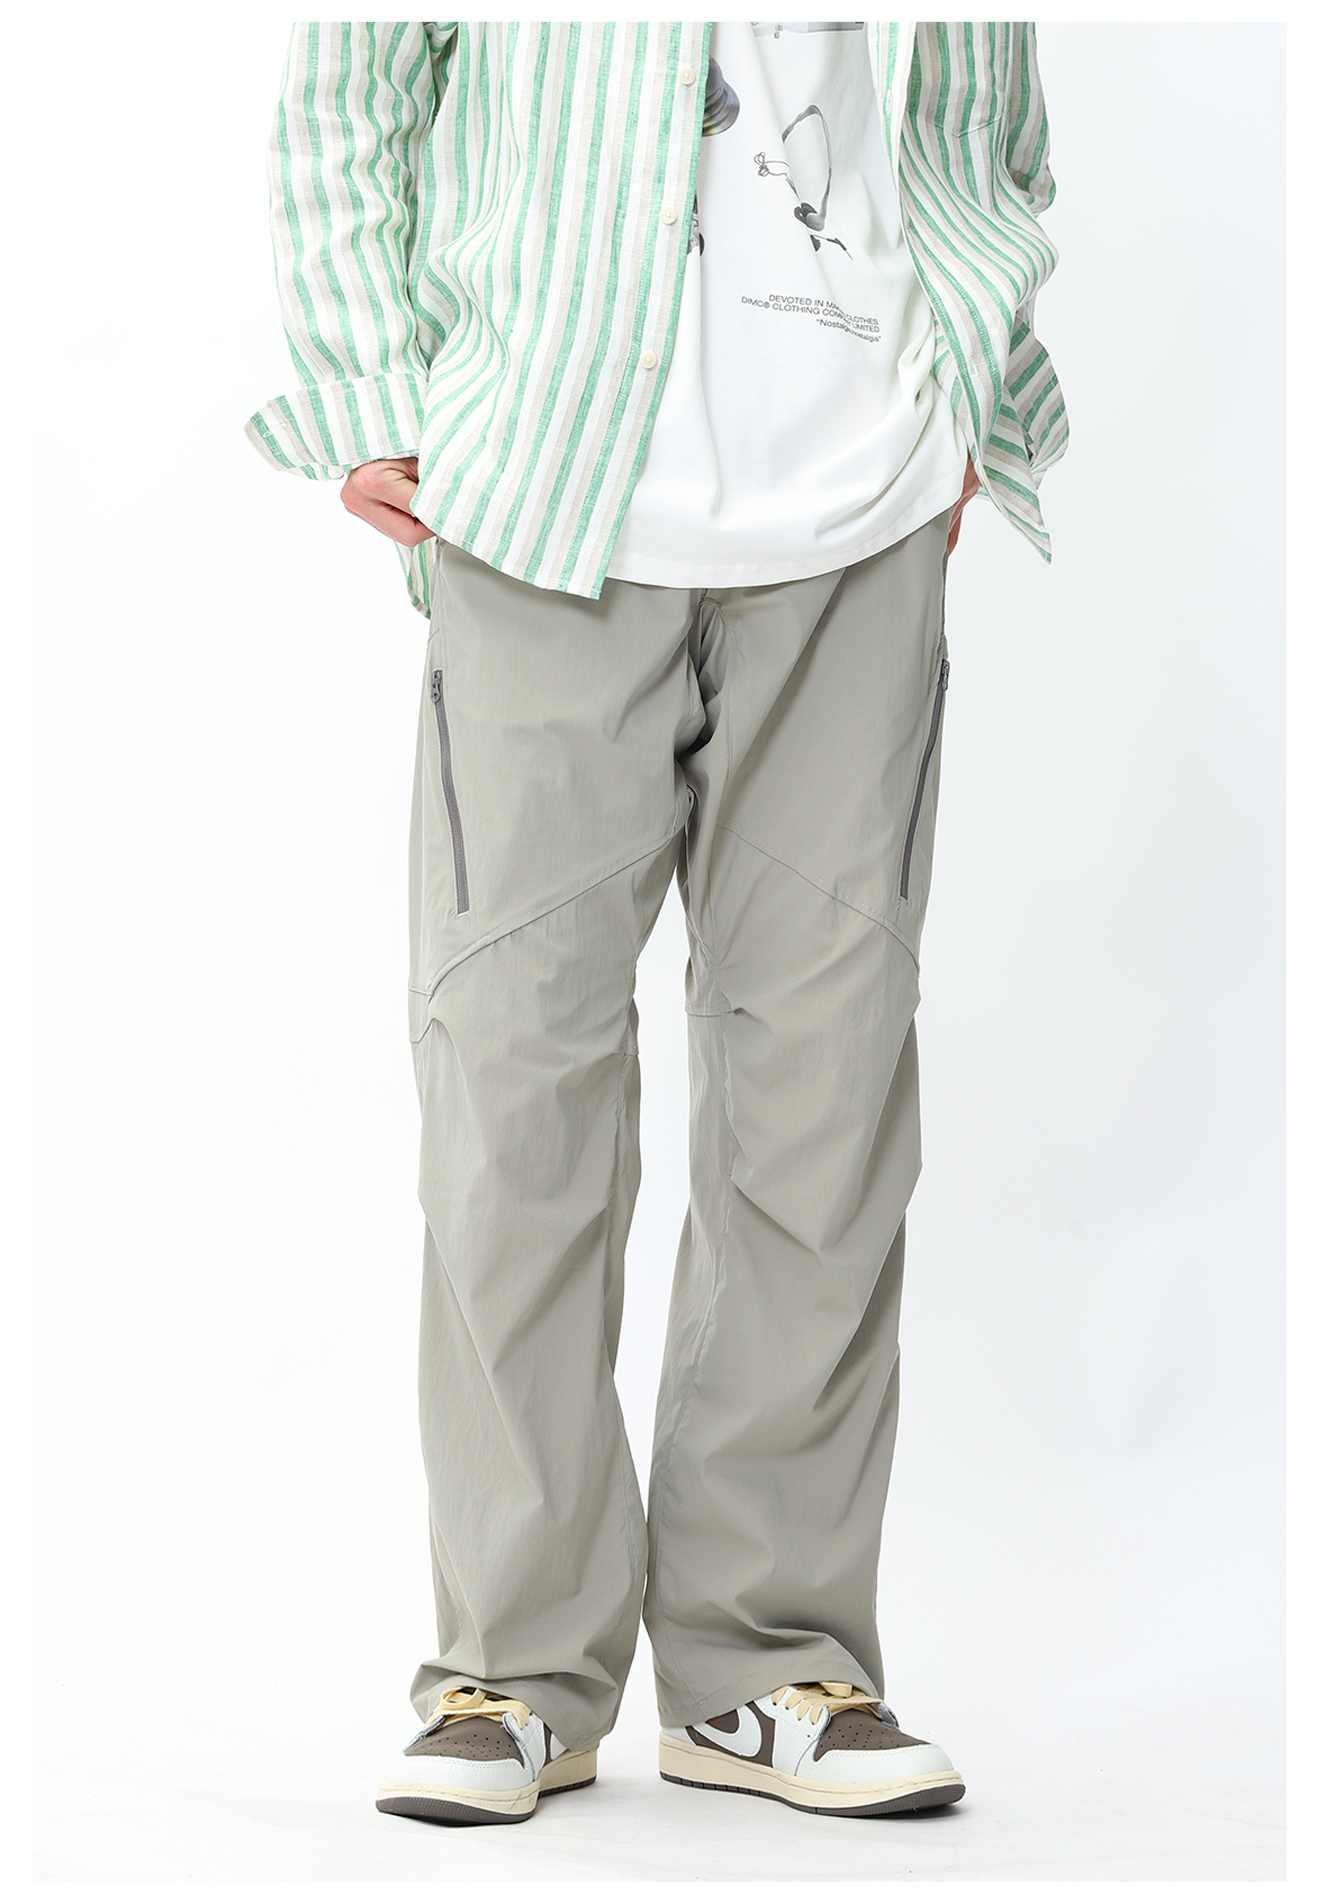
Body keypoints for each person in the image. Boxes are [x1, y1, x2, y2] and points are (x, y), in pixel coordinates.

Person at [246, 19, 1066, 1827]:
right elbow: (351, 91)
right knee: (511, 1105)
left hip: (857, 519)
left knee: (824, 1110)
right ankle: (511, 1670)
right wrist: (369, 382)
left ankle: (768, 1663)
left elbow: (985, 121)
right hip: (543, 505)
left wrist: (971, 385)